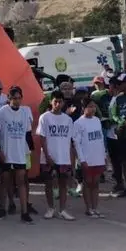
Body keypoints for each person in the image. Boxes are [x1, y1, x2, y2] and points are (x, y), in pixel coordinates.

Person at [0, 86, 36, 224]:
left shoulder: (24, 113)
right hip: (6, 152)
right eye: (14, 98)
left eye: (19, 98)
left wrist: (31, 150)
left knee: (21, 182)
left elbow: (27, 134)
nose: (17, 101)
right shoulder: (2, 112)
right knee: (5, 182)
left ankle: (24, 212)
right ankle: (2, 208)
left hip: (20, 152)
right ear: (9, 99)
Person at [36, 91, 75, 221]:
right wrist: (47, 156)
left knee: (63, 184)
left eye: (60, 102)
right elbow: (42, 138)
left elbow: (70, 141)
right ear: (51, 102)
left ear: (63, 103)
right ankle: (50, 208)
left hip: (63, 157)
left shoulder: (68, 120)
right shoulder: (45, 118)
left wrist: (70, 160)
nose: (58, 104)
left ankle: (62, 209)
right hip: (49, 156)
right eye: (55, 101)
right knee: (48, 183)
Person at [72, 98, 106, 218]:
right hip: (87, 158)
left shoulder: (97, 120)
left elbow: (101, 139)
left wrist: (104, 155)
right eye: (90, 107)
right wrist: (82, 159)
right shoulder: (78, 123)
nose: (92, 109)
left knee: (96, 183)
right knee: (88, 183)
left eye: (94, 107)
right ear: (84, 108)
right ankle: (88, 208)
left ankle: (95, 207)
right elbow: (77, 143)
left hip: (98, 157)